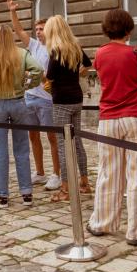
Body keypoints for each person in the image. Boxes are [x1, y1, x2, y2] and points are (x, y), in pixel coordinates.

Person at [87, 8, 137, 246]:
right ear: (129, 29)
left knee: (109, 172)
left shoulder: (99, 54)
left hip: (109, 118)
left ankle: (102, 223)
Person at [0, 27, 44, 207]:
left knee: (0, 151)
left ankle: (2, 195)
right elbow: (38, 69)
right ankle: (26, 193)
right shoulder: (21, 53)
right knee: (22, 150)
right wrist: (29, 84)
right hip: (18, 102)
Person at [8, 0, 62, 192]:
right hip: (30, 96)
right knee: (33, 136)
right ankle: (40, 172)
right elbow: (18, 30)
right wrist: (13, 11)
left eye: (41, 29)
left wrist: (43, 78)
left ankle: (56, 173)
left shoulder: (54, 48)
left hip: (47, 99)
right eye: (37, 29)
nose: (38, 32)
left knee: (52, 137)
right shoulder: (34, 46)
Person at [43, 15, 92, 202]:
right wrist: (79, 72)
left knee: (64, 145)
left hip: (61, 101)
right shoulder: (75, 47)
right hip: (76, 98)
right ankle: (84, 182)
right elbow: (88, 64)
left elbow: (51, 77)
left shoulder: (56, 52)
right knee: (77, 141)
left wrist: (43, 80)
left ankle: (65, 188)